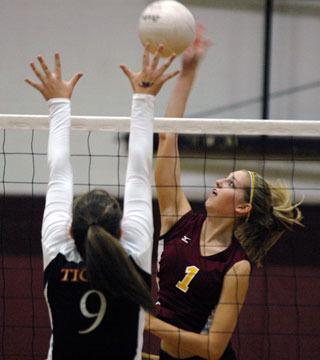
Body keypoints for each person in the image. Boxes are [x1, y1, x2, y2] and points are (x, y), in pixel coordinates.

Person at [146, 28, 303, 360]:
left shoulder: (236, 266)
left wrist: (148, 323)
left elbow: (214, 349)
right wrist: (188, 73)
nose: (219, 181)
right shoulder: (178, 219)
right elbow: (167, 139)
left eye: (231, 183)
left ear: (243, 207)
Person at [25, 46, 179, 360]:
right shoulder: (133, 251)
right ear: (121, 231)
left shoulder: (59, 250)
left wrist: (58, 103)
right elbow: (139, 172)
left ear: (70, 229)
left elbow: (58, 175)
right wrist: (143, 96)